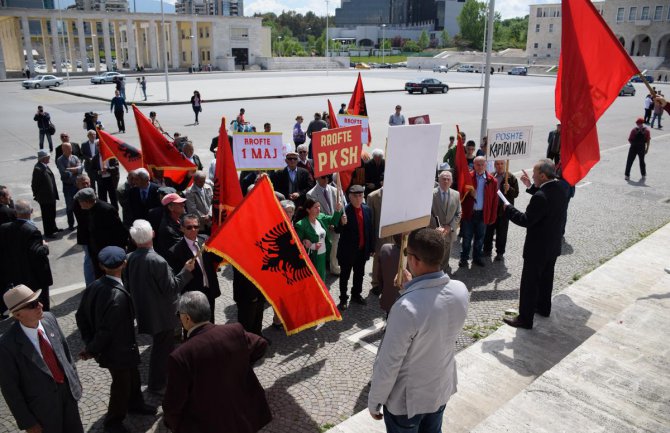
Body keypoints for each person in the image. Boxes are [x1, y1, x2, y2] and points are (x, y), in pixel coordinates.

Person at [368, 228, 468, 431]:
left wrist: (375, 400)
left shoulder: (406, 307)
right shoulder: (460, 289)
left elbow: (389, 363)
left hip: (408, 401)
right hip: (440, 389)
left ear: (413, 260)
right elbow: (432, 309)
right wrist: (410, 289)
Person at [163, 291, 272, 433]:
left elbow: (174, 403)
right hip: (242, 416)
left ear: (187, 318)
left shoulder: (180, 356)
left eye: (179, 315)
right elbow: (261, 345)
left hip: (208, 423)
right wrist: (241, 363)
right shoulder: (235, 331)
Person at [76, 247, 156, 433]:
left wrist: (89, 340)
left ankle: (136, 404)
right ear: (125, 264)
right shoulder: (118, 297)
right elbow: (106, 331)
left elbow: (81, 316)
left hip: (122, 349)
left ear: (101, 266)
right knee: (121, 385)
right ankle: (113, 421)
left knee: (133, 377)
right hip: (118, 351)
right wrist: (91, 349)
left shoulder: (94, 286)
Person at [0, 285, 85, 433]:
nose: (40, 305)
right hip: (42, 411)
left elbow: (65, 353)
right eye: (33, 305)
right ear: (17, 314)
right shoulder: (7, 346)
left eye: (38, 300)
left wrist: (74, 382)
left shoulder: (49, 318)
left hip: (68, 397)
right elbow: (10, 389)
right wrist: (28, 423)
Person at [124, 219, 194, 394]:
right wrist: (186, 271)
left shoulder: (130, 258)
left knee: (162, 347)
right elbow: (171, 288)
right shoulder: (157, 261)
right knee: (162, 350)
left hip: (145, 309)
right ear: (153, 234)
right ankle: (157, 384)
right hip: (162, 313)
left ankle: (164, 378)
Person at [503, 160, 568, 329]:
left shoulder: (540, 197)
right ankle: (543, 308)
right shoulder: (561, 188)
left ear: (543, 176)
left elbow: (526, 220)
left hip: (537, 248)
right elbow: (547, 203)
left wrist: (508, 208)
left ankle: (525, 318)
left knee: (530, 284)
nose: (532, 175)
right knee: (546, 278)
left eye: (535, 173)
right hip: (552, 246)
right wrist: (531, 186)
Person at [166, 214, 222, 323]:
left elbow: (217, 259)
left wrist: (220, 247)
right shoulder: (175, 251)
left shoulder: (205, 239)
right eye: (189, 227)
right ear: (182, 228)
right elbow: (176, 280)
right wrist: (185, 270)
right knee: (194, 326)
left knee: (210, 322)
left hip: (209, 289)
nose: (193, 229)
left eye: (196, 227)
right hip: (192, 296)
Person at [0, 200, 53, 311]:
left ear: (15, 212)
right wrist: (45, 246)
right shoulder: (32, 231)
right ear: (31, 211)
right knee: (41, 305)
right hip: (35, 277)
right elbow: (38, 253)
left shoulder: (4, 228)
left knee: (24, 304)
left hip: (16, 275)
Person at [74, 188, 129, 279]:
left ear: (87, 201)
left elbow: (119, 231)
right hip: (96, 252)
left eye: (80, 201)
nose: (79, 204)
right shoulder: (88, 209)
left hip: (108, 253)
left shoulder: (107, 210)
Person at [335, 184, 373, 310]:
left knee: (359, 274)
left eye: (360, 196)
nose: (358, 199)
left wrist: (371, 248)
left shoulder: (367, 209)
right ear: (349, 197)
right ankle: (343, 299)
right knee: (344, 276)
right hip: (347, 252)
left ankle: (356, 294)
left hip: (361, 250)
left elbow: (369, 230)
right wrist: (341, 222)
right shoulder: (344, 211)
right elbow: (336, 230)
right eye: (355, 196)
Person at [459, 156, 498, 268]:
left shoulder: (492, 181)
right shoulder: (468, 178)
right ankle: (464, 258)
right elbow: (460, 195)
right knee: (466, 238)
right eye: (478, 164)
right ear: (474, 165)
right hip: (469, 214)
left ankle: (476, 258)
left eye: (482, 164)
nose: (480, 167)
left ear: (486, 165)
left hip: (483, 214)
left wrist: (492, 216)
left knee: (480, 239)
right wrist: (468, 195)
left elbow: (494, 201)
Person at [294, 198, 343, 281]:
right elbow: (297, 244)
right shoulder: (301, 225)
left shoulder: (321, 217)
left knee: (321, 278)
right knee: (312, 279)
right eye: (315, 207)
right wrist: (312, 246)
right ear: (308, 210)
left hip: (323, 255)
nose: (318, 209)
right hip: (311, 257)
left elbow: (333, 221)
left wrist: (337, 210)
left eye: (319, 206)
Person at [307, 176, 344, 275]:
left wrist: (339, 218)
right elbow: (316, 213)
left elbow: (342, 206)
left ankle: (334, 267)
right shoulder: (311, 194)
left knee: (335, 246)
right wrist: (328, 223)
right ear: (317, 178)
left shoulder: (335, 190)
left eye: (328, 177)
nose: (326, 179)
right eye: (323, 177)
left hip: (335, 224)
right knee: (323, 248)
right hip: (322, 225)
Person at [483, 160, 519, 261]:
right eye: (497, 164)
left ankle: (500, 252)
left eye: (502, 164)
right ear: (494, 165)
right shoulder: (491, 176)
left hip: (503, 210)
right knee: (489, 230)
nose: (499, 166)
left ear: (505, 165)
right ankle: (487, 249)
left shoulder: (511, 178)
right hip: (492, 209)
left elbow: (516, 194)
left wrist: (509, 188)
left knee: (502, 232)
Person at [429, 170, 461, 272]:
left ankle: (445, 272)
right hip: (435, 232)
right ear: (439, 180)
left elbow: (459, 213)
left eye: (448, 179)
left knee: (446, 255)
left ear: (451, 181)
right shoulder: (431, 194)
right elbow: (428, 214)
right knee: (434, 255)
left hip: (449, 232)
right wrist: (437, 227)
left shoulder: (456, 194)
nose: (446, 181)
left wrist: (450, 227)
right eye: (444, 179)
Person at [367, 186, 391, 295]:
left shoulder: (395, 194)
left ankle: (388, 282)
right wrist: (371, 237)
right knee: (378, 260)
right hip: (379, 234)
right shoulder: (373, 196)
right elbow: (370, 218)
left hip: (392, 233)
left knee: (391, 258)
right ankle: (376, 284)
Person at [31, 149, 61, 238]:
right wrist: (37, 196)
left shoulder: (44, 166)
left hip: (51, 196)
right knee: (47, 216)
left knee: (52, 213)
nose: (49, 158)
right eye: (48, 157)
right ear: (43, 158)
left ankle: (54, 228)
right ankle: (48, 232)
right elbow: (34, 184)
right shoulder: (38, 169)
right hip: (45, 197)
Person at [56, 142, 84, 230]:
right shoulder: (60, 160)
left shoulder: (75, 157)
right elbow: (64, 174)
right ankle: (71, 224)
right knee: (70, 206)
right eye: (68, 148)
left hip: (77, 185)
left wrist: (71, 169)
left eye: (71, 148)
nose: (71, 150)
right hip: (68, 187)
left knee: (80, 205)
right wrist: (75, 170)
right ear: (63, 150)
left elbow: (81, 169)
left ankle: (81, 223)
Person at [375, 234, 402, 315]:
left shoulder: (385, 249)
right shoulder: (415, 255)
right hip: (406, 301)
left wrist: (382, 291)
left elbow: (380, 276)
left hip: (389, 298)